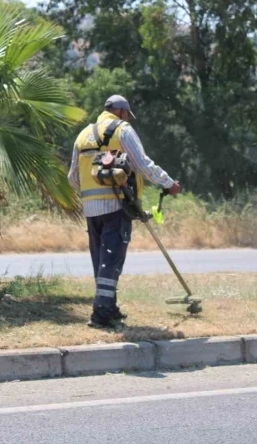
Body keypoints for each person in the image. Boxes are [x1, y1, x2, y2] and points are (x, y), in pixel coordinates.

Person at [68, 95, 181, 329]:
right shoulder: (122, 130)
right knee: (112, 259)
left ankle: (109, 306)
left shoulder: (83, 134)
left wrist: (91, 193)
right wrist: (168, 184)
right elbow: (143, 164)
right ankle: (101, 315)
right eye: (128, 114)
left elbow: (73, 178)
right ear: (121, 112)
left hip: (91, 210)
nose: (128, 118)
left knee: (102, 260)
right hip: (116, 207)